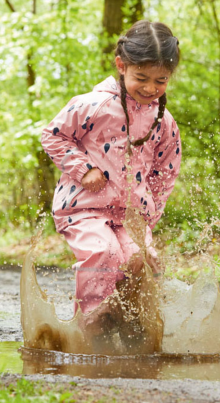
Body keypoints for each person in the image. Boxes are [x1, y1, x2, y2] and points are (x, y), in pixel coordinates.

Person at [41, 20, 181, 334]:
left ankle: (133, 327)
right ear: (121, 66)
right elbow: (52, 136)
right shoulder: (93, 105)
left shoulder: (164, 121)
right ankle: (92, 325)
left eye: (161, 80)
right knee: (105, 253)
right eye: (141, 77)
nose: (150, 88)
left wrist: (149, 214)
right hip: (83, 208)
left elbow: (166, 172)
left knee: (145, 260)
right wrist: (82, 169)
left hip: (131, 215)